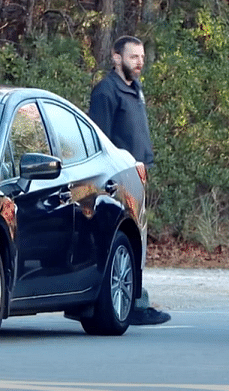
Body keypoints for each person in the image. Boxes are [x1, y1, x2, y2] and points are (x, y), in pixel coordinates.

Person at [88, 35, 170, 326]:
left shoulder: (134, 88)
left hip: (138, 176)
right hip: (120, 180)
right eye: (133, 57)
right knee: (125, 241)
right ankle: (131, 304)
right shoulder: (106, 92)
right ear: (116, 57)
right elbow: (100, 140)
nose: (139, 62)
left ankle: (135, 299)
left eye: (142, 57)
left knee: (138, 244)